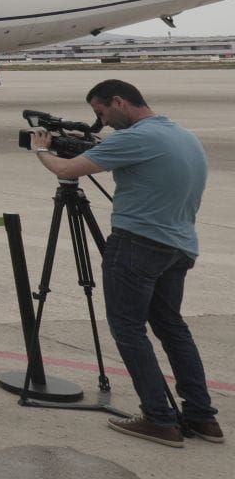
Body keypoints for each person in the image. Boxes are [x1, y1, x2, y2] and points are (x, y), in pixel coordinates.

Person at [33, 79, 220, 447]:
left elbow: (67, 170)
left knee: (128, 328)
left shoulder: (135, 138)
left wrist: (40, 150)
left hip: (138, 244)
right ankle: (203, 418)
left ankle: (159, 419)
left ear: (119, 101)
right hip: (179, 246)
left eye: (102, 113)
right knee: (171, 327)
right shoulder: (182, 134)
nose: (102, 122)